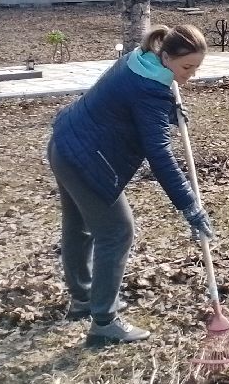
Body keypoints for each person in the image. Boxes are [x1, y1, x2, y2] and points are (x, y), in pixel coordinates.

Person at [47, 23, 216, 347]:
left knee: (79, 227)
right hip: (86, 161)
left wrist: (168, 110)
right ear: (166, 57)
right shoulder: (150, 90)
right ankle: (104, 323)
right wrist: (190, 206)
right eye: (186, 68)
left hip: (65, 144)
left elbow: (126, 107)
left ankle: (84, 301)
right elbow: (160, 155)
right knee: (117, 231)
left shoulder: (138, 60)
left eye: (196, 68)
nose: (191, 75)